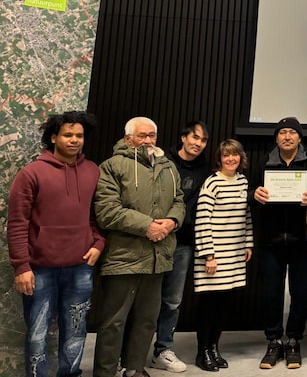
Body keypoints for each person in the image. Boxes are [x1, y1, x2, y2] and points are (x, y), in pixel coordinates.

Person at [8, 111, 105, 377]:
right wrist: (21, 266)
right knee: (37, 334)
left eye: (79, 135)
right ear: (53, 137)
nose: (74, 140)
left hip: (80, 267)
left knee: (76, 331)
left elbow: (98, 215)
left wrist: (98, 243)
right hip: (40, 270)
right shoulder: (31, 174)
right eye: (67, 135)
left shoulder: (93, 171)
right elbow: (17, 223)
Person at [93, 117, 185, 377]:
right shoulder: (111, 166)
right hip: (124, 257)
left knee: (147, 320)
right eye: (142, 135)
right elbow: (107, 211)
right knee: (114, 322)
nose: (148, 140)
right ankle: (105, 372)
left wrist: (172, 221)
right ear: (127, 139)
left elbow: (179, 201)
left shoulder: (168, 167)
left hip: (158, 257)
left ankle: (134, 369)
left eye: (152, 135)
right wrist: (148, 226)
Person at [251, 117, 307, 369]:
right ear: (276, 138)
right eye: (282, 132)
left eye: (292, 132)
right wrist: (255, 194)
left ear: (299, 137)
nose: (287, 136)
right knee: (271, 294)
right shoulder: (264, 161)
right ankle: (273, 341)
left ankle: (293, 341)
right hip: (270, 241)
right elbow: (252, 191)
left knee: (300, 294)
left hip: (302, 241)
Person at [152, 120, 210, 373]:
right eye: (195, 137)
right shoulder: (162, 162)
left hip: (184, 242)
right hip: (154, 239)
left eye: (203, 140)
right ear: (184, 137)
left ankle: (162, 349)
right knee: (144, 299)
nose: (198, 143)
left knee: (172, 301)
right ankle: (130, 352)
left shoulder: (206, 170)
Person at [193, 139, 253, 372]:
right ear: (219, 158)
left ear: (240, 157)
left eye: (234, 154)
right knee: (208, 307)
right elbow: (202, 220)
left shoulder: (243, 181)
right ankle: (202, 352)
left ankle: (214, 348)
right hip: (214, 256)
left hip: (234, 255)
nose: (230, 159)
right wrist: (209, 255)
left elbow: (246, 216)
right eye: (226, 155)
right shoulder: (212, 183)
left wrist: (248, 243)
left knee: (222, 307)